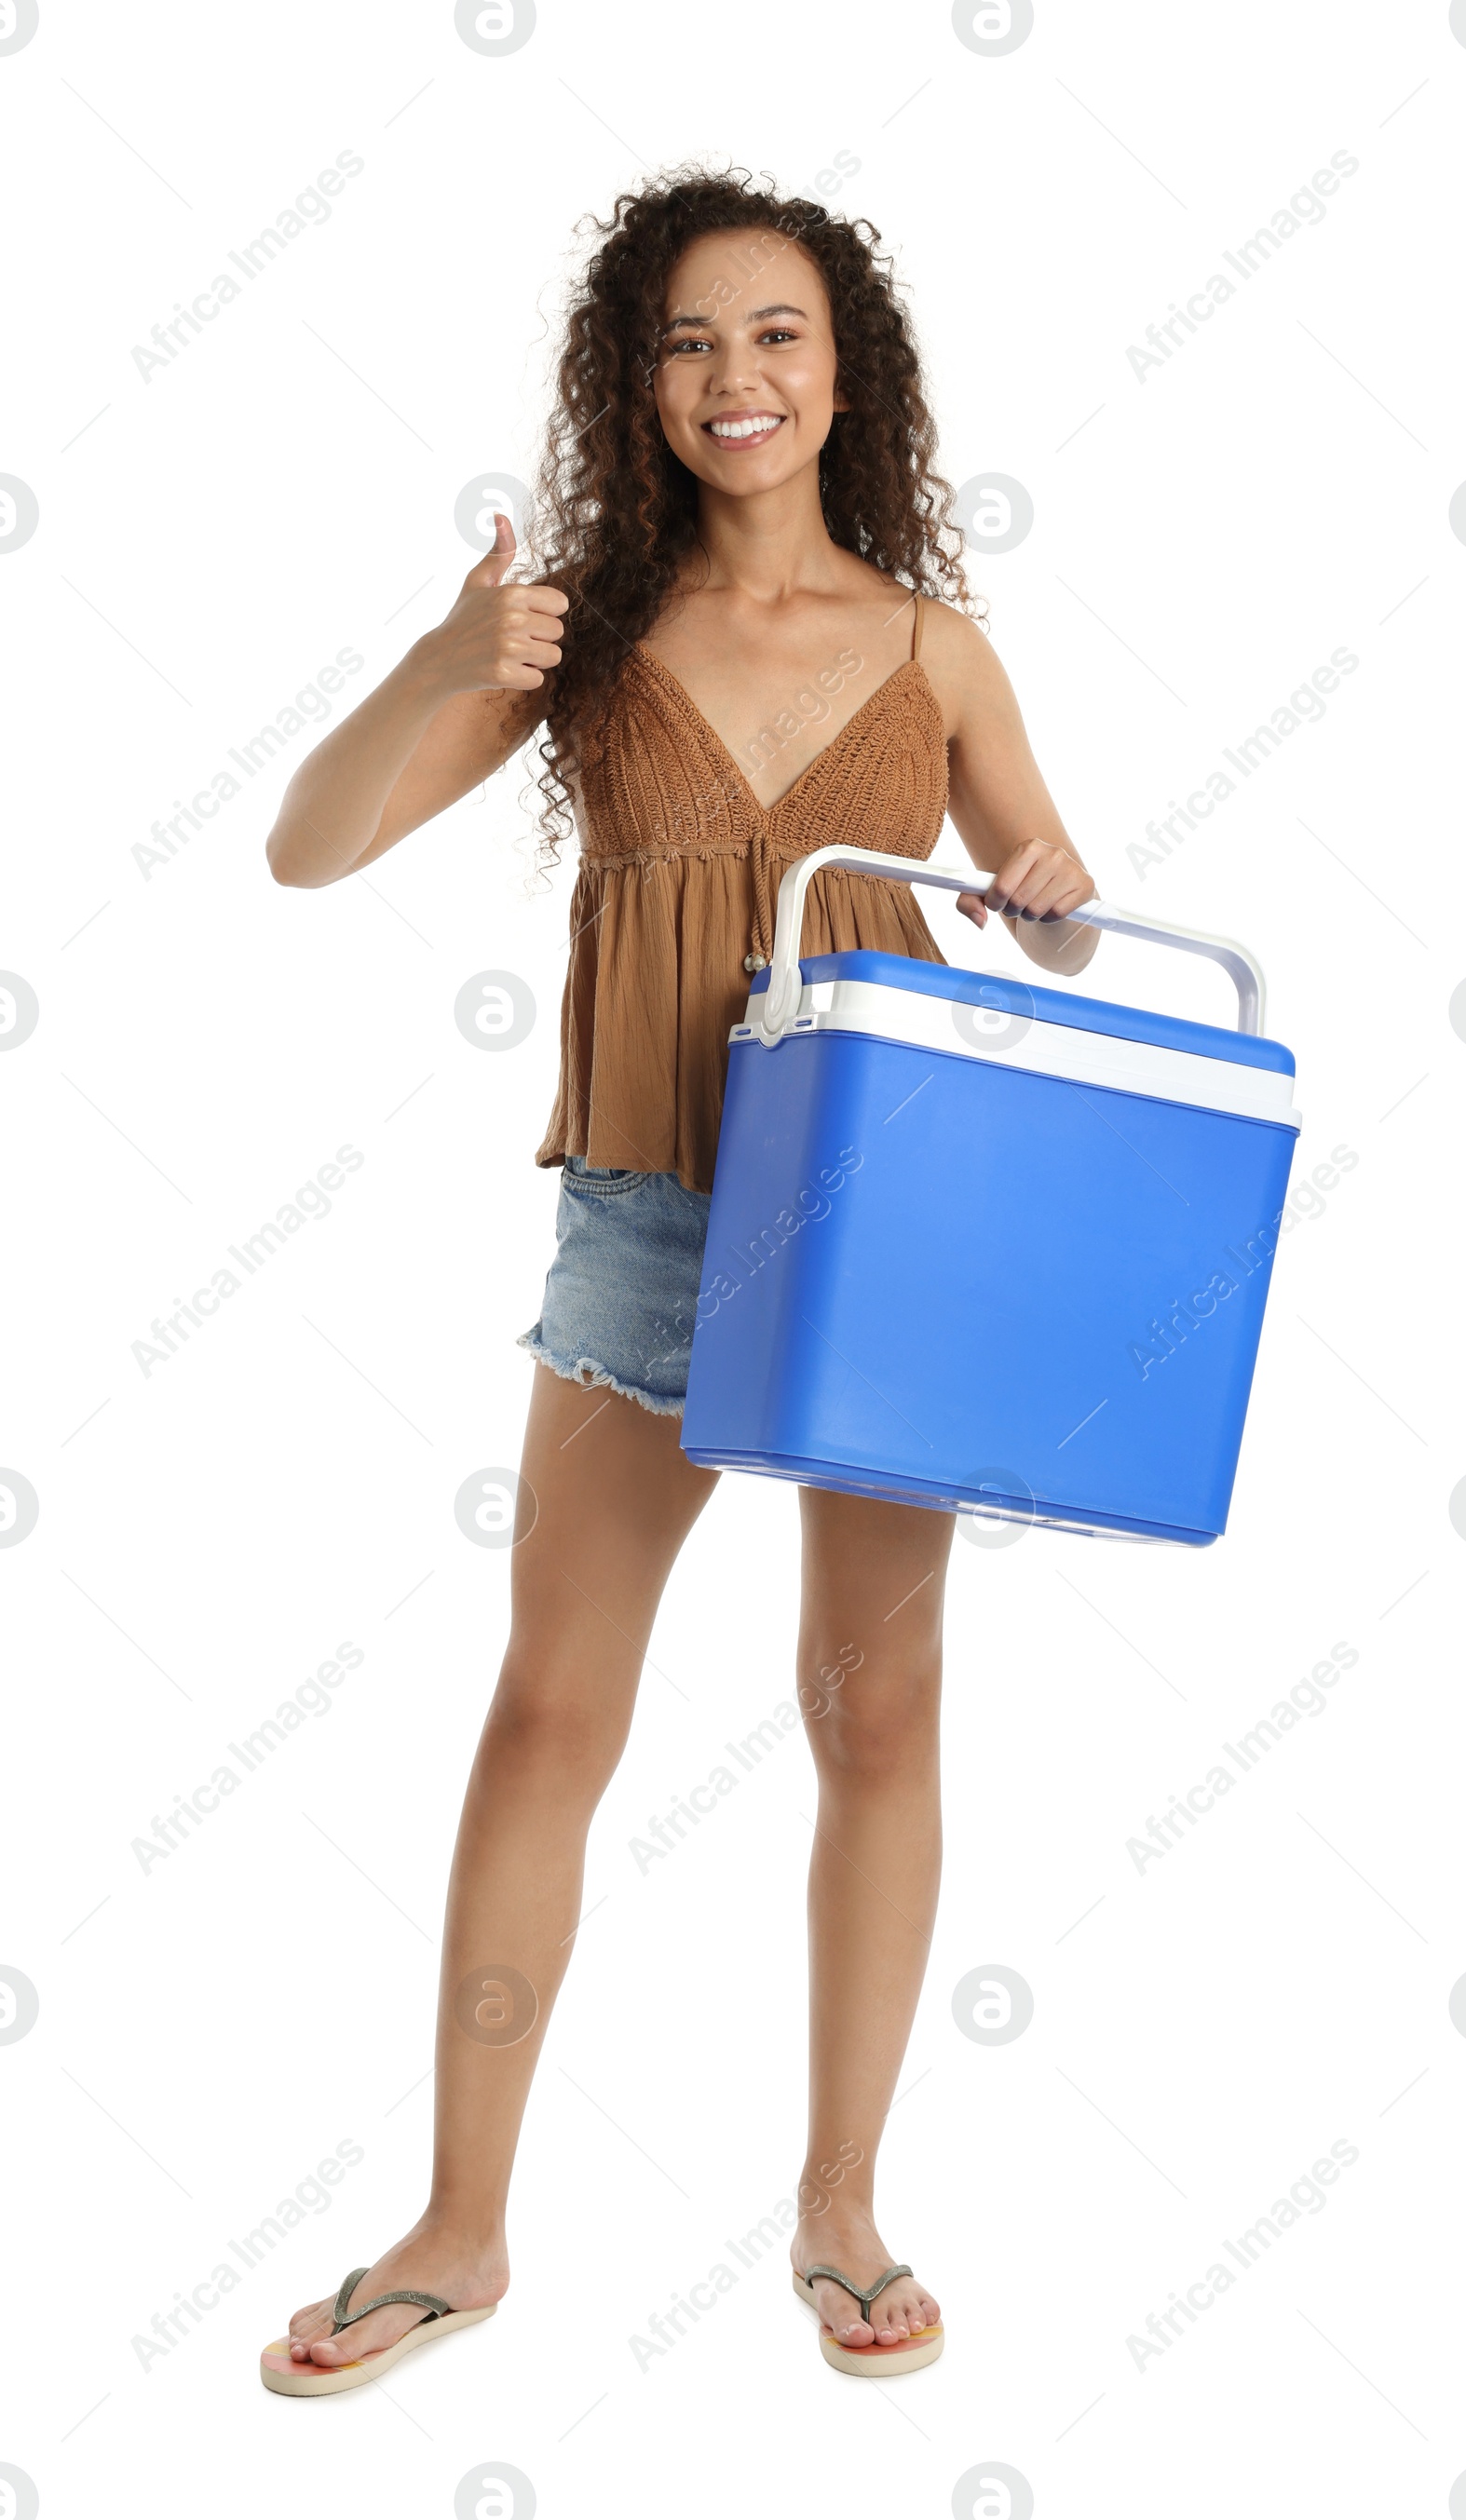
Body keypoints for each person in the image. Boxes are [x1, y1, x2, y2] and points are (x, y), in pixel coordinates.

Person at [257, 167, 1097, 2395]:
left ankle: (839, 2206)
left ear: (848, 373)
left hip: (884, 1216)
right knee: (551, 1706)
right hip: (647, 1210)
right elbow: (307, 846)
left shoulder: (935, 648)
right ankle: (461, 2225)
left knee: (876, 1709)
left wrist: (1042, 887)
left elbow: (1058, 910)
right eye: (687, 343)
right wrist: (447, 660)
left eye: (777, 335)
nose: (735, 379)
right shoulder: (588, 635)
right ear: (635, 388)